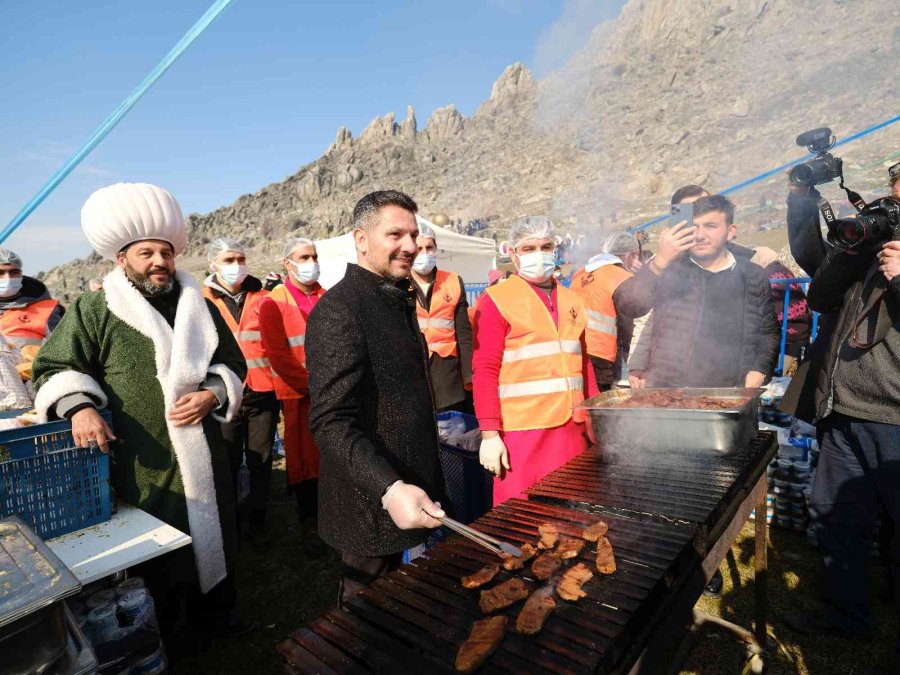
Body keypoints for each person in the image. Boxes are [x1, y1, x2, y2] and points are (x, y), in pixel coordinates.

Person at [31, 183, 251, 650]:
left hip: (204, 454)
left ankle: (217, 615)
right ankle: (164, 629)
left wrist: (213, 394)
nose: (159, 262)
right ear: (122, 258)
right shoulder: (95, 309)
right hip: (141, 461)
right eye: (146, 252)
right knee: (158, 549)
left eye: (166, 253)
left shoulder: (202, 308)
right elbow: (57, 366)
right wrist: (80, 406)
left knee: (216, 532)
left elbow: (232, 364)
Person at [305, 190, 448, 607]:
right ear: (361, 239)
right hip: (368, 498)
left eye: (414, 235)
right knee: (365, 613)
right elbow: (331, 421)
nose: (410, 246)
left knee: (408, 603)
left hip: (412, 484)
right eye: (395, 234)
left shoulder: (394, 298)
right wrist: (387, 488)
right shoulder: (341, 310)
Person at [783, 194, 900, 673]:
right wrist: (851, 246)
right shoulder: (875, 246)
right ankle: (844, 614)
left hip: (895, 419)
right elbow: (820, 296)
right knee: (835, 518)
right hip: (845, 410)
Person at [472, 216, 598, 505]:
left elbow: (584, 360)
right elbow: (485, 370)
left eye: (546, 246)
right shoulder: (497, 300)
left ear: (556, 250)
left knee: (572, 513)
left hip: (572, 428)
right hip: (523, 431)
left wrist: (595, 412)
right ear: (513, 254)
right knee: (522, 514)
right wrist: (490, 434)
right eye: (528, 248)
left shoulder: (573, 300)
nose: (538, 253)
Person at [615, 194, 780, 390]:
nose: (700, 235)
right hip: (670, 389)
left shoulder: (752, 275)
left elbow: (768, 332)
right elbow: (629, 306)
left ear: (730, 231)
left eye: (711, 226)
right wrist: (661, 259)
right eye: (695, 227)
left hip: (731, 391)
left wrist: (760, 370)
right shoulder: (668, 269)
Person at [202, 238, 278, 552]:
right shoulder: (198, 299)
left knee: (261, 461)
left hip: (263, 394)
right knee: (227, 463)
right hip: (222, 396)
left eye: (240, 258)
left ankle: (257, 523)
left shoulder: (264, 297)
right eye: (229, 259)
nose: (236, 266)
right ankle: (229, 525)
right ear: (213, 265)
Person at [258, 238, 327, 558]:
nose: (311, 261)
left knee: (331, 458)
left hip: (331, 392)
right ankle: (309, 524)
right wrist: (312, 385)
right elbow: (278, 355)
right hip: (300, 395)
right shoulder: (274, 302)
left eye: (314, 256)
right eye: (304, 257)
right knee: (303, 463)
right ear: (288, 263)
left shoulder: (327, 296)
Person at [410, 221, 474, 412]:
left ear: (436, 248)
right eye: (419, 248)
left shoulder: (453, 282)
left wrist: (469, 378)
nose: (424, 253)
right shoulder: (397, 284)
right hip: (414, 375)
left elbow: (464, 336)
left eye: (429, 247)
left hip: (448, 377)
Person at [570, 232, 641, 391]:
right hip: (603, 355)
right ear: (632, 255)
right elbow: (631, 316)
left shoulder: (580, 274)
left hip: (576, 348)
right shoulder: (620, 277)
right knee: (602, 407)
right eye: (636, 257)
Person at [0, 247, 65, 348]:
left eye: (14, 272)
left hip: (28, 363)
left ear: (21, 273)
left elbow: (66, 350)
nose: (8, 278)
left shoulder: (48, 311)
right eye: (0, 273)